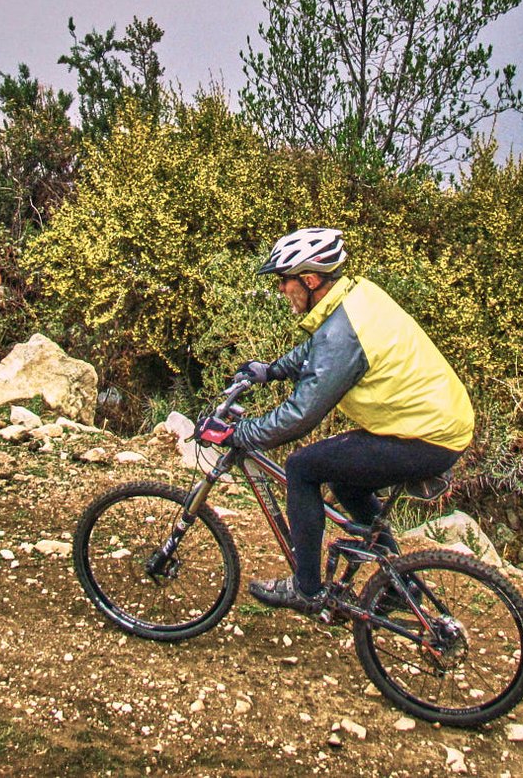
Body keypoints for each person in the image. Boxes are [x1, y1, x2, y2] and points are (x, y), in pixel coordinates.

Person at [199, 227, 474, 613]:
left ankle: (306, 590)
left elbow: (300, 415)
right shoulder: (356, 295)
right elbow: (317, 348)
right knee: (347, 483)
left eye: (284, 281)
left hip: (426, 435)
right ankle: (398, 584)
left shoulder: (342, 334)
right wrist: (271, 370)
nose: (281, 290)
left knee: (302, 467)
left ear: (310, 280)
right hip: (436, 423)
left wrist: (239, 433)